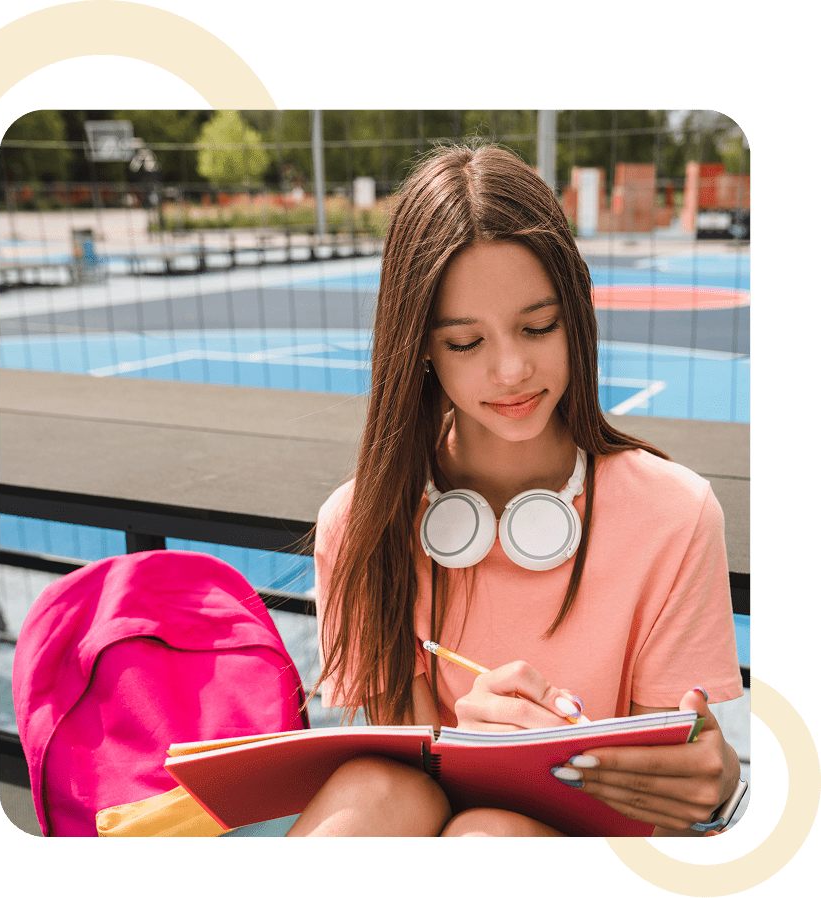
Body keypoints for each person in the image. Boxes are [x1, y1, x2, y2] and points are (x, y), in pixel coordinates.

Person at [286, 144, 744, 837]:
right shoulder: (358, 523)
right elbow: (402, 784)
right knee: (373, 787)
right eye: (465, 342)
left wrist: (713, 791)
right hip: (430, 822)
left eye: (538, 327)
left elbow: (665, 819)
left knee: (488, 835)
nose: (510, 370)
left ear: (576, 315)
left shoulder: (674, 515)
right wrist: (470, 758)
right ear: (420, 348)